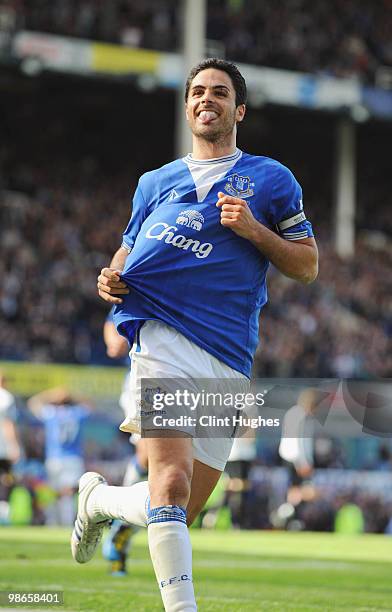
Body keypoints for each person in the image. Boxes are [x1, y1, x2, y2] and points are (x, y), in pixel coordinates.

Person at [71, 58, 318, 611]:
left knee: (176, 505)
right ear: (187, 107)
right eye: (198, 92)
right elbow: (128, 250)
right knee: (172, 484)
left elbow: (307, 266)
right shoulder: (153, 182)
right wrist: (112, 277)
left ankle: (101, 502)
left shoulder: (272, 179)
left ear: (239, 110)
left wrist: (253, 229)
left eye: (221, 93)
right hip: (161, 339)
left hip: (227, 353)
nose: (208, 99)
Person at [101, 310, 148, 576]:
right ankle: (115, 518)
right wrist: (113, 339)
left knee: (179, 472)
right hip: (145, 375)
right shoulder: (147, 269)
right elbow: (114, 315)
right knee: (151, 454)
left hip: (192, 377)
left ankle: (122, 528)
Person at [28, 387, 90, 525]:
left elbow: (33, 403)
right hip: (73, 458)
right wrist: (72, 395)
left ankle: (53, 522)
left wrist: (51, 395)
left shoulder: (51, 413)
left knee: (54, 493)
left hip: (55, 458)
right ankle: (67, 524)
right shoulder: (77, 413)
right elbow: (90, 404)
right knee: (68, 494)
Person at [0, 372, 21, 510]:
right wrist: (14, 445)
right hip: (3, 447)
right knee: (6, 479)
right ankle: (3, 510)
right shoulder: (6, 397)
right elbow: (8, 424)